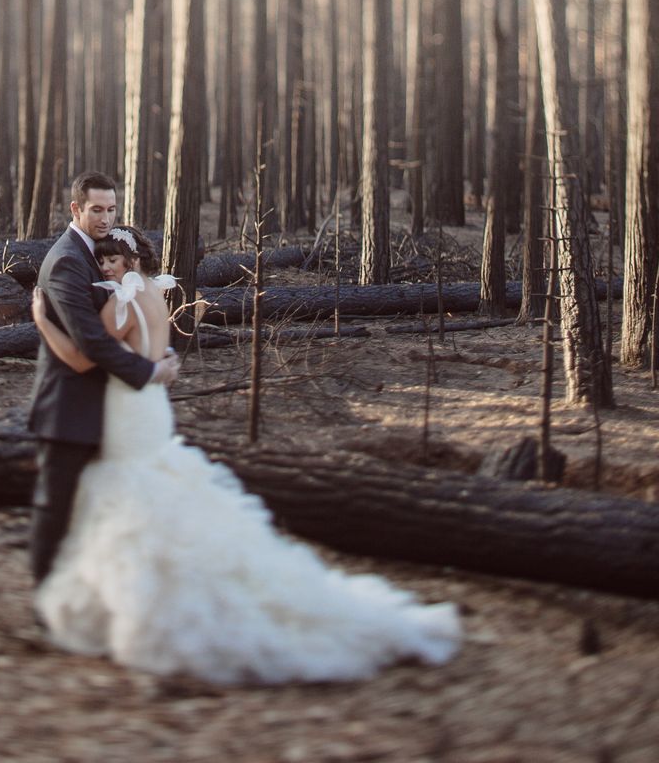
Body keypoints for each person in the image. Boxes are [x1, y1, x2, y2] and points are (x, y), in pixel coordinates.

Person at [31, 223, 462, 685]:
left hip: (129, 405)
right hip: (149, 404)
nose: (104, 268)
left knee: (136, 493)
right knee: (151, 488)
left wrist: (42, 322)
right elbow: (157, 354)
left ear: (130, 261)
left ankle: (155, 601)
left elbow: (84, 357)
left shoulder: (124, 297)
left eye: (110, 260)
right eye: (101, 261)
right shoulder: (156, 293)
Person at [27, 172, 179, 586]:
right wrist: (150, 369)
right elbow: (90, 344)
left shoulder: (106, 265)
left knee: (103, 507)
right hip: (70, 406)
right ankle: (47, 596)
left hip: (113, 405)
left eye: (112, 209)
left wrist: (155, 359)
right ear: (76, 209)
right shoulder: (66, 261)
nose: (106, 218)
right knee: (56, 506)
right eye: (97, 209)